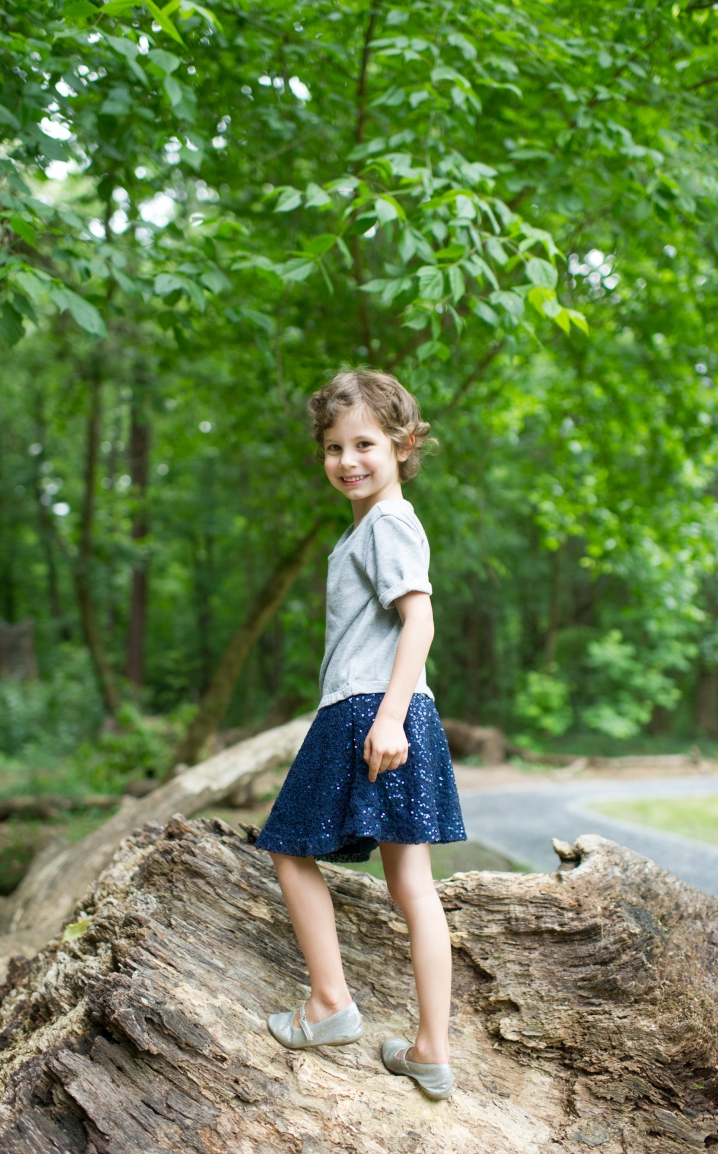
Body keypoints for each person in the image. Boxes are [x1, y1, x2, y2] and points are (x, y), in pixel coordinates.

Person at [255, 367, 467, 1101]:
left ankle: (329, 1004)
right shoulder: (367, 527)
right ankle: (430, 1051)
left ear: (403, 444)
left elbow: (422, 620)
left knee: (287, 847)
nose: (348, 461)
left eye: (366, 444)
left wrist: (387, 718)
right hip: (391, 709)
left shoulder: (387, 524)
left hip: (367, 711)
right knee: (412, 884)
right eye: (334, 447)